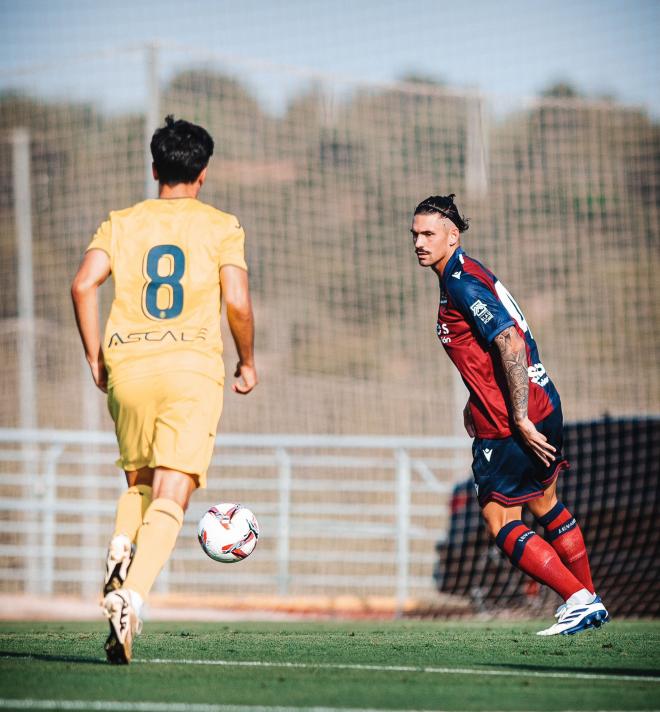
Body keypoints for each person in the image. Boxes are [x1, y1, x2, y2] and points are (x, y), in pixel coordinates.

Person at [71, 115, 257, 663]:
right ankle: (131, 596)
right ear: (203, 173)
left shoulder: (121, 222)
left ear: (155, 168)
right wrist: (248, 360)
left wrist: (93, 356)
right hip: (191, 369)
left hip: (127, 366)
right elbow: (238, 303)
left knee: (141, 483)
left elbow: (83, 284)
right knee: (173, 494)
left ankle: (120, 546)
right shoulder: (221, 225)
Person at [410, 194, 608, 636]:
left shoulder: (461, 283)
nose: (419, 243)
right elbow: (490, 352)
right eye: (415, 235)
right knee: (545, 503)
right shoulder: (470, 270)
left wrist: (517, 417)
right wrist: (474, 398)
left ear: (452, 236)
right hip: (544, 400)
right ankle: (590, 601)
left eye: (428, 234)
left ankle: (578, 599)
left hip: (511, 421)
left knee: (501, 520)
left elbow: (509, 343)